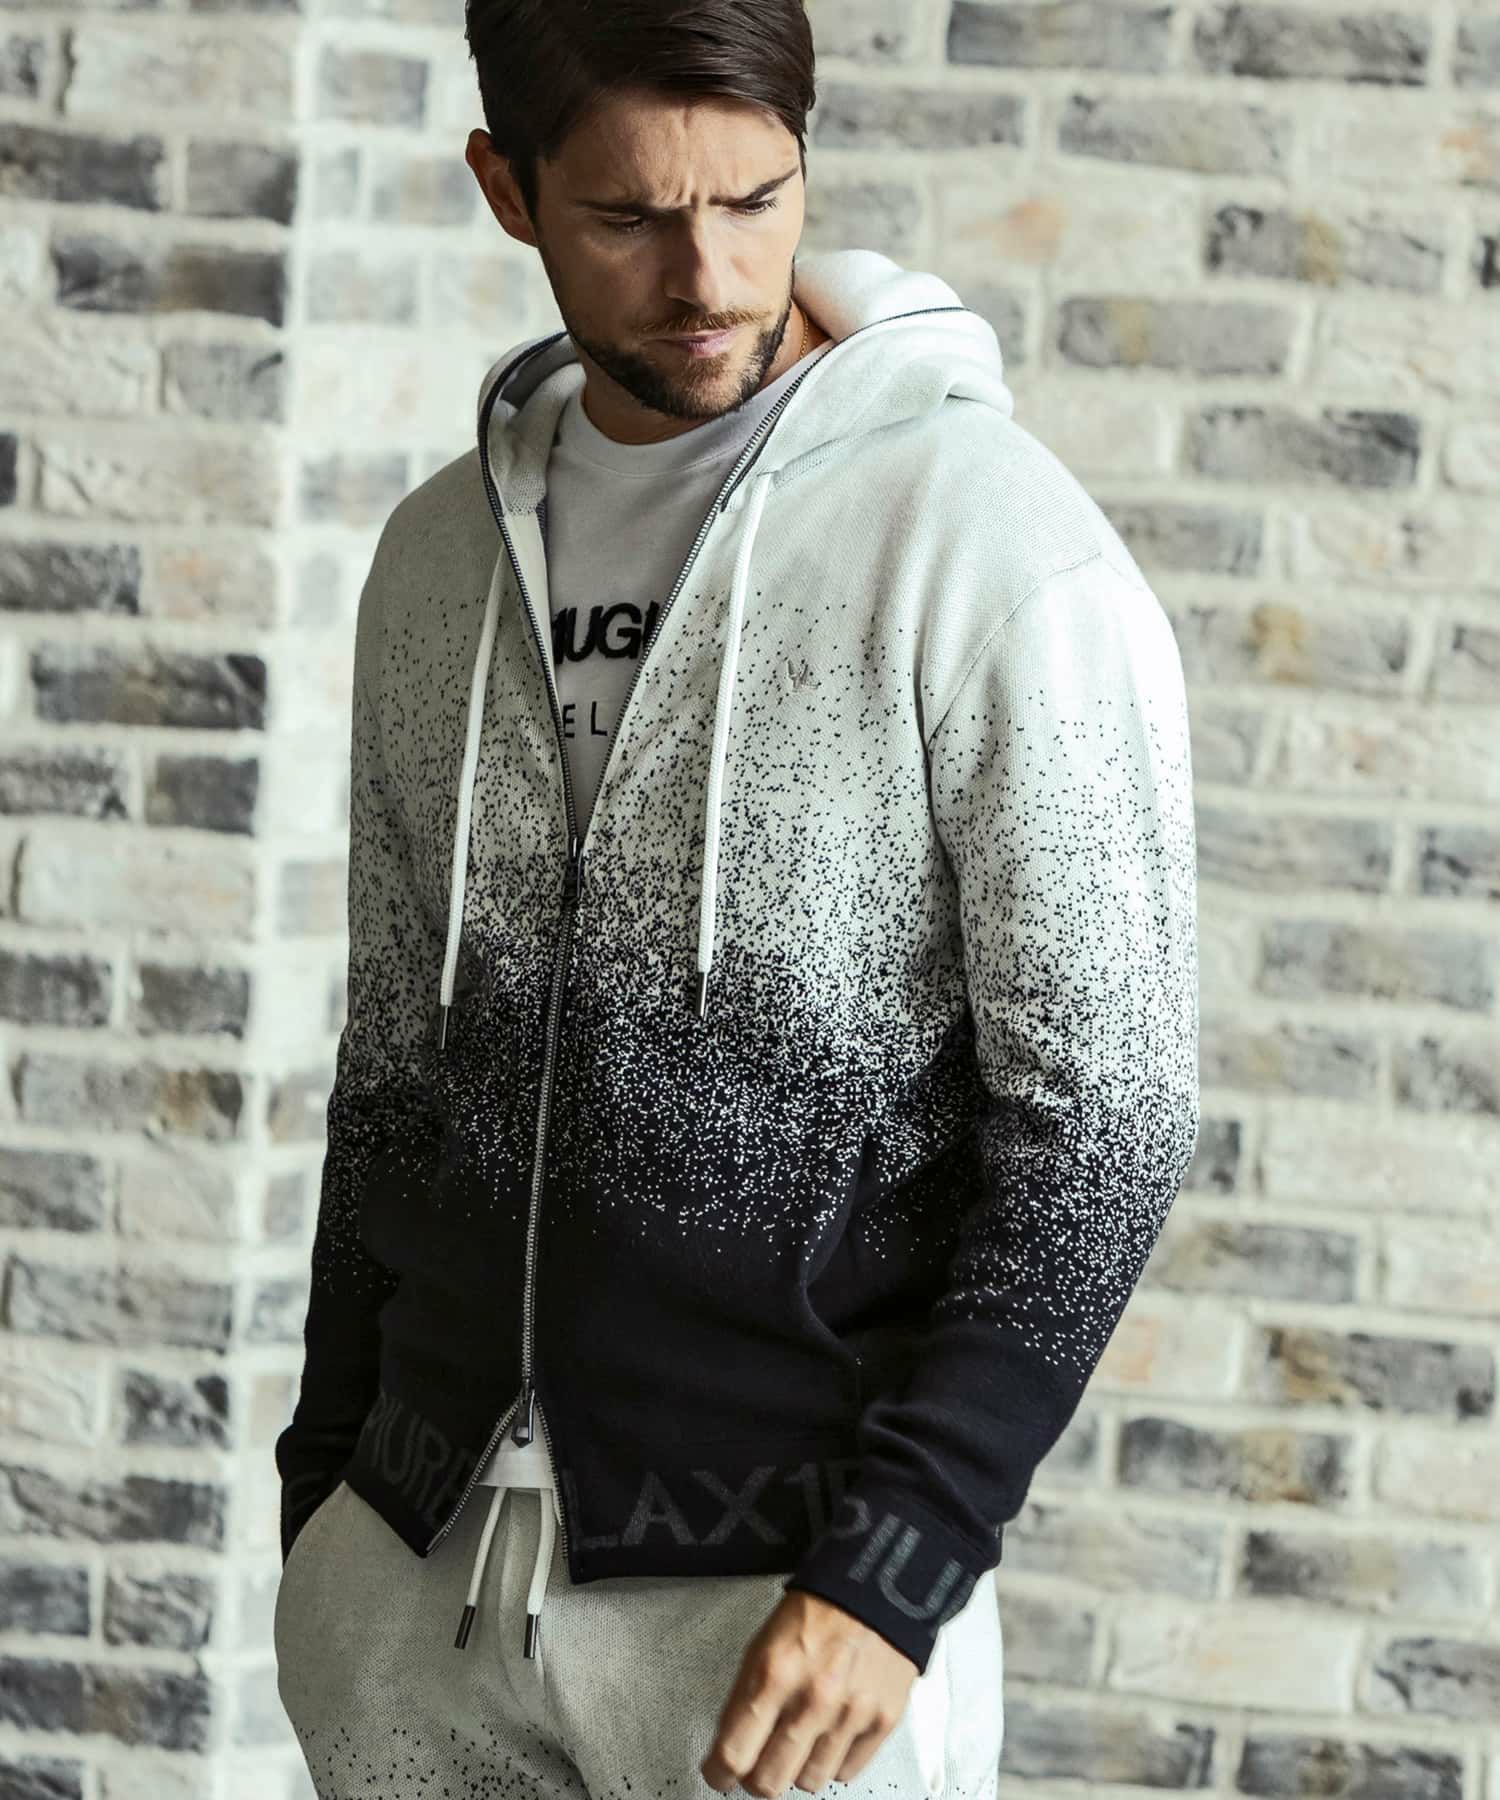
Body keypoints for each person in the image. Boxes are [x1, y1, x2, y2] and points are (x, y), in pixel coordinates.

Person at [271, 2, 1201, 1796]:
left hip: (785, 1612)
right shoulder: (435, 560)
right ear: (507, 190)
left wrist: (898, 1566)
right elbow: (393, 1061)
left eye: (756, 201)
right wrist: (327, 1503)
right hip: (417, 1575)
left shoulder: (988, 543)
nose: (708, 276)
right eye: (629, 217)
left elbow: (1108, 1121)